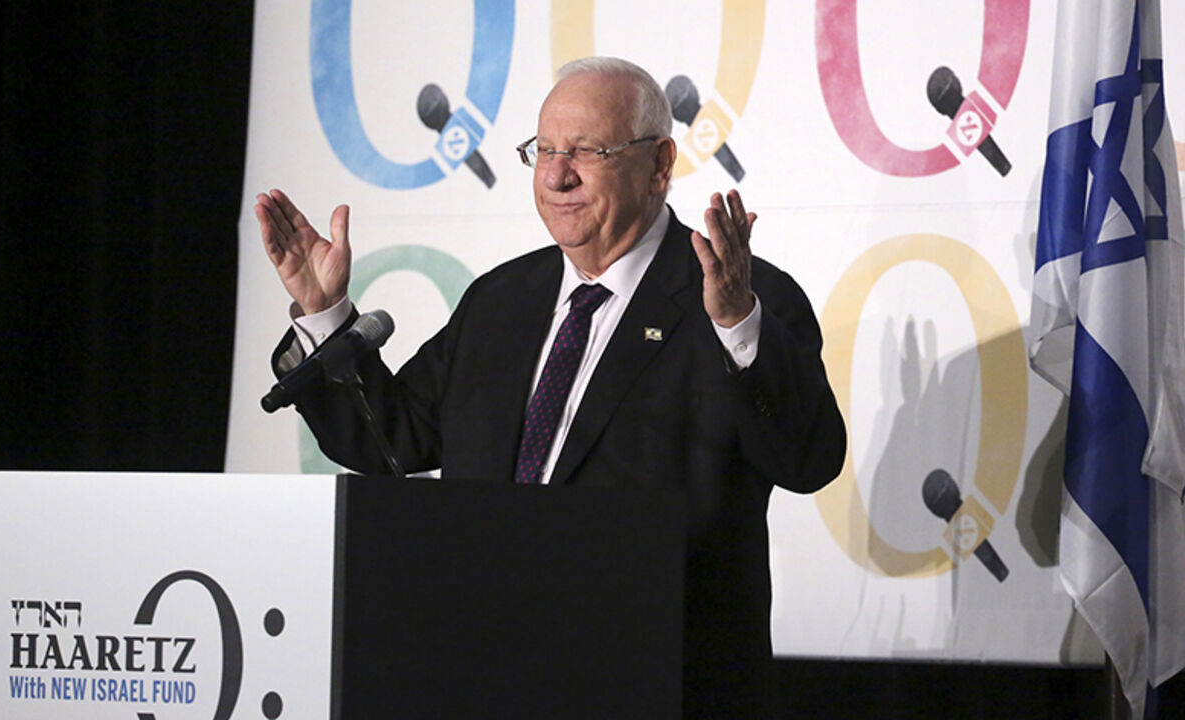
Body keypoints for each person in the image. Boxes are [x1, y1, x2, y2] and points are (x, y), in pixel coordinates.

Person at [256, 56, 845, 718]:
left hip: (663, 685)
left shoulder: (738, 298)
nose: (558, 174)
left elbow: (807, 460)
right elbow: (394, 437)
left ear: (659, 165)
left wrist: (738, 326)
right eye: (545, 151)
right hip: (490, 675)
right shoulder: (501, 301)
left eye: (587, 151)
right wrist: (324, 314)